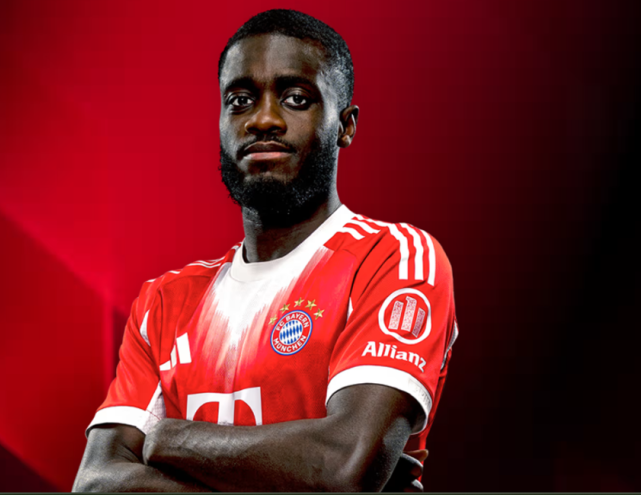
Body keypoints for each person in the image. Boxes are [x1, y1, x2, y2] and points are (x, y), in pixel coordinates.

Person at [73, 9, 458, 492]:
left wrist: (167, 439)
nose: (264, 120)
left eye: (296, 99)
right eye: (240, 100)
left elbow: (342, 468)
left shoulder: (394, 259)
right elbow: (97, 481)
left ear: (345, 125)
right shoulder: (164, 301)